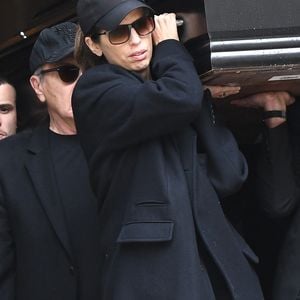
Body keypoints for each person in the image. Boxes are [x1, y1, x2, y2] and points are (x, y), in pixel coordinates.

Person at [72, 0, 264, 299]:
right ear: (94, 45)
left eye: (143, 25)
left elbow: (229, 175)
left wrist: (201, 100)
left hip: (216, 271)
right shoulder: (96, 90)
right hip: (156, 278)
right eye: (119, 34)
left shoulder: (168, 97)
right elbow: (178, 98)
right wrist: (170, 48)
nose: (136, 40)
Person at [0, 22, 102, 300]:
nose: (81, 82)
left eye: (89, 71)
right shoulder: (7, 162)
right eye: (68, 72)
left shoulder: (126, 144)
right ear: (38, 87)